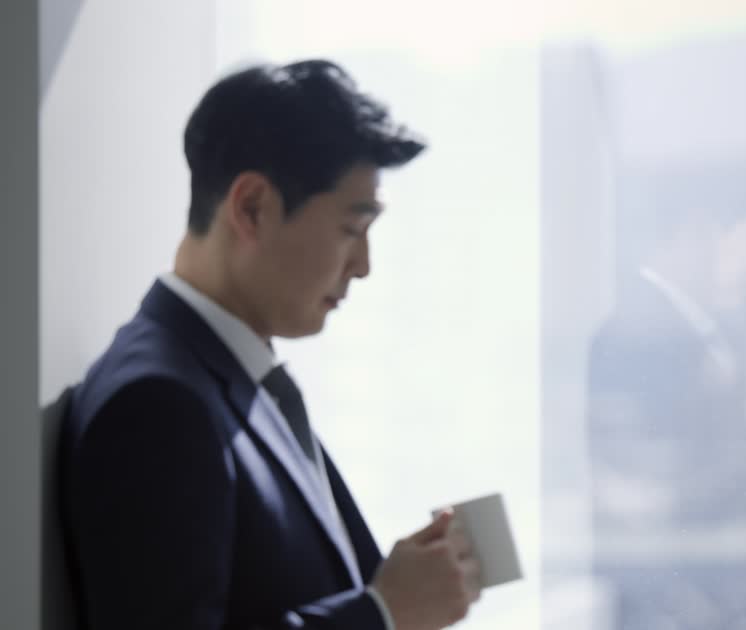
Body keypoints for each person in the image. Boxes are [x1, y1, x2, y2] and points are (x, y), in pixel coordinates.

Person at [59, 60, 481, 630]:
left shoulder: (224, 379)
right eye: (352, 229)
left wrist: (397, 593)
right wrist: (382, 613)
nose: (363, 266)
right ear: (252, 207)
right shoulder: (158, 405)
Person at [587, 168, 746, 629]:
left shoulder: (703, 335)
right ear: (698, 234)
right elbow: (638, 489)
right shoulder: (638, 337)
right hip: (670, 601)